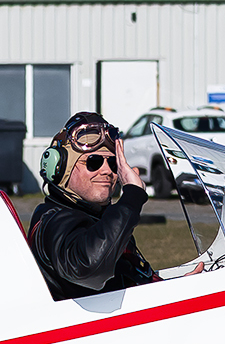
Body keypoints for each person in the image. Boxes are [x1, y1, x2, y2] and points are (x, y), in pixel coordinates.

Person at [29, 111, 160, 300]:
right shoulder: (54, 222)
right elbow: (88, 267)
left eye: (113, 163)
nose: (107, 171)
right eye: (94, 162)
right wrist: (132, 196)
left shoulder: (102, 219)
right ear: (60, 168)